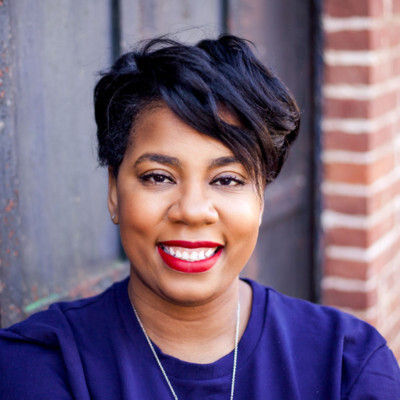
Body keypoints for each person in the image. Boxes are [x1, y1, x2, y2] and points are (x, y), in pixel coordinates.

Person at [1, 34, 399, 399]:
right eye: (158, 176)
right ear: (113, 191)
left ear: (261, 197)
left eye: (227, 180)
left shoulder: (347, 366)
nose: (192, 211)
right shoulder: (39, 366)